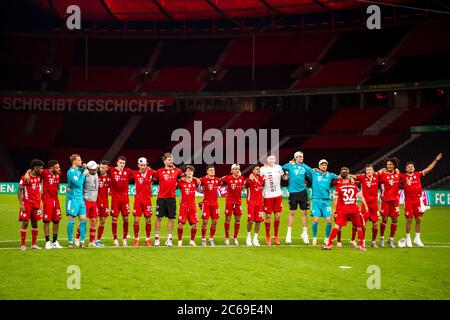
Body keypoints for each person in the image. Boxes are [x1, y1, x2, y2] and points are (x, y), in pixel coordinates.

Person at [400, 153, 442, 247]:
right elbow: (397, 182)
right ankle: (408, 238)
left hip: (418, 201)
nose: (411, 168)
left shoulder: (418, 174)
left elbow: (429, 169)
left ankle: (417, 238)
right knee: (409, 220)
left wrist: (436, 160)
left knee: (419, 219)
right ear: (406, 169)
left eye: (412, 166)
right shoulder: (403, 176)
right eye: (409, 167)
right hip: (409, 201)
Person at [323, 167, 368, 251]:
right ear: (348, 177)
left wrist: (335, 209)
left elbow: (336, 199)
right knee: (359, 227)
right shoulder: (353, 186)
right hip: (354, 208)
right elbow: (360, 196)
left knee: (337, 225)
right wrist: (365, 205)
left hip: (344, 209)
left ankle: (329, 244)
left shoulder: (339, 186)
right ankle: (361, 245)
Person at [24, 160, 63, 249]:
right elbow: (33, 170)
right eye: (57, 167)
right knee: (46, 221)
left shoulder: (58, 174)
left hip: (56, 201)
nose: (59, 169)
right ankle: (47, 242)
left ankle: (55, 241)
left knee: (57, 221)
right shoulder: (44, 173)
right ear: (52, 168)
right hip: (47, 201)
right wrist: (27, 173)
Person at [153, 153, 183, 247]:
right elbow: (153, 180)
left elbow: (183, 177)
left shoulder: (177, 170)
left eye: (171, 159)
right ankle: (157, 239)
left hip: (172, 198)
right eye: (169, 159)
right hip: (161, 198)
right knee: (159, 218)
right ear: (165, 161)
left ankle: (169, 239)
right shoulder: (159, 171)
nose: (171, 161)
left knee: (171, 218)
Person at [282, 151, 312, 244]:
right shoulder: (289, 165)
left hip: (303, 192)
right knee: (292, 213)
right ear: (295, 158)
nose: (301, 158)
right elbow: (280, 168)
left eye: (302, 156)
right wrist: (285, 174)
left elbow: (312, 174)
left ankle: (304, 233)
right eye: (299, 157)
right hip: (293, 193)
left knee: (304, 213)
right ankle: (288, 235)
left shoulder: (305, 166)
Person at [309, 159, 339, 246]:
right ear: (319, 166)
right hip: (316, 200)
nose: (324, 166)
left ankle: (326, 238)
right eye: (322, 164)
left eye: (325, 165)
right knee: (316, 219)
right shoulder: (314, 173)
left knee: (329, 220)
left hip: (326, 201)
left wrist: (350, 177)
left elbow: (341, 177)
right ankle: (314, 238)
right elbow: (306, 169)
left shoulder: (330, 175)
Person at [18, 159, 45, 250]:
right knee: (25, 223)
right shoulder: (25, 177)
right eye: (40, 168)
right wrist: (21, 204)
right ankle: (23, 245)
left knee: (35, 223)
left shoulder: (40, 176)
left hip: (36, 204)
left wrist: (27, 171)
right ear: (35, 167)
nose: (41, 170)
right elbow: (19, 190)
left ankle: (33, 244)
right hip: (27, 203)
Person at [108, 156, 134, 247]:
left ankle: (124, 238)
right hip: (115, 199)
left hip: (125, 199)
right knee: (114, 218)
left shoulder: (127, 171)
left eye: (123, 163)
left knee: (125, 218)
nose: (122, 165)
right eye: (120, 163)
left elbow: (138, 173)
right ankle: (115, 239)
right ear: (117, 163)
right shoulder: (111, 170)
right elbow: (102, 167)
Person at [260, 155, 285, 245]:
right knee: (268, 217)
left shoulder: (279, 167)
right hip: (268, 196)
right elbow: (258, 178)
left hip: (278, 195)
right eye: (270, 158)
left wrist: (288, 174)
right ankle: (267, 236)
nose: (272, 160)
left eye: (273, 158)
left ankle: (276, 236)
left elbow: (284, 177)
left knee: (277, 216)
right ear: (266, 159)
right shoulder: (263, 169)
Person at [355, 164, 381, 248]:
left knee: (375, 224)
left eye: (370, 170)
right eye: (367, 170)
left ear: (373, 171)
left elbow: (384, 170)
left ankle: (373, 242)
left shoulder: (377, 176)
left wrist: (396, 170)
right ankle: (363, 241)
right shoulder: (362, 177)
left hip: (374, 205)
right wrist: (344, 174)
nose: (368, 172)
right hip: (365, 204)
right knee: (363, 224)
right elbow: (353, 176)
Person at [132, 157, 156, 247]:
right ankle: (136, 238)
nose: (143, 167)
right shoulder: (134, 173)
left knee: (148, 220)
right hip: (138, 200)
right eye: (141, 165)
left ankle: (148, 238)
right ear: (138, 165)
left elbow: (158, 174)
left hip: (147, 200)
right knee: (136, 220)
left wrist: (152, 181)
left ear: (147, 165)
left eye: (144, 165)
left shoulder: (151, 172)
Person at [66, 154, 88, 249]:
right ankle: (70, 242)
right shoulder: (71, 172)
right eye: (79, 160)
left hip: (80, 199)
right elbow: (79, 184)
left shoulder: (78, 170)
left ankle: (82, 241)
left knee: (83, 220)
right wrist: (84, 174)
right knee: (72, 221)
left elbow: (84, 170)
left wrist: (85, 167)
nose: (81, 161)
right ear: (73, 161)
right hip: (73, 199)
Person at [378, 157, 401, 248]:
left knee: (395, 220)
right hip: (385, 200)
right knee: (384, 220)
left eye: (390, 164)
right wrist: (380, 170)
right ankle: (382, 238)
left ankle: (391, 239)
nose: (389, 166)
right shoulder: (382, 174)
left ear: (394, 165)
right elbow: (373, 175)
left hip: (395, 200)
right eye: (387, 165)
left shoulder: (398, 173)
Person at [222, 164, 246, 246]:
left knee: (238, 220)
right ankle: (227, 237)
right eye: (235, 169)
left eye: (238, 169)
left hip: (238, 202)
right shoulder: (227, 178)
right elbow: (219, 181)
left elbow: (243, 186)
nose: (237, 170)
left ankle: (235, 237)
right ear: (232, 170)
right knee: (228, 219)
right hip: (229, 201)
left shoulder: (241, 178)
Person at [176, 165, 200, 247]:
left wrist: (197, 179)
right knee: (180, 224)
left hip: (192, 207)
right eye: (188, 171)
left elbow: (199, 187)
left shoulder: (195, 182)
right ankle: (180, 241)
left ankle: (192, 241)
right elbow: (174, 187)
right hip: (183, 206)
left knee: (194, 225)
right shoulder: (181, 182)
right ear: (185, 172)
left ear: (193, 173)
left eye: (191, 171)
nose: (189, 172)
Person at [199, 165, 222, 247]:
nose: (212, 171)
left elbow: (225, 182)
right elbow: (195, 183)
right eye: (211, 170)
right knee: (205, 221)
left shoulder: (217, 180)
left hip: (215, 204)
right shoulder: (203, 179)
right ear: (207, 172)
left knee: (215, 221)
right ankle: (203, 239)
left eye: (213, 170)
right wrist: (200, 191)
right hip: (206, 204)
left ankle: (211, 238)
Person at [245, 165, 264, 246]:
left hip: (259, 203)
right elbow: (244, 186)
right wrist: (250, 179)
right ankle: (248, 237)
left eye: (259, 169)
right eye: (257, 169)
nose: (259, 170)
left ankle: (255, 238)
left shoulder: (262, 179)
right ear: (253, 170)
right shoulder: (249, 179)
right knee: (250, 220)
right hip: (251, 203)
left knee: (259, 221)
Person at [83, 161, 100, 248]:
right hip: (86, 200)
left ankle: (91, 241)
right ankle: (78, 238)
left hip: (94, 201)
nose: (97, 169)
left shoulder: (95, 173)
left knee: (93, 221)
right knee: (84, 221)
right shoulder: (85, 175)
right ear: (90, 169)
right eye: (95, 168)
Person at [95, 160, 110, 246]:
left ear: (107, 168)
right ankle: (79, 238)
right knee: (94, 220)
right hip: (96, 202)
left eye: (103, 168)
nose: (101, 169)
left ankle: (98, 239)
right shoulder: (96, 177)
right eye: (100, 167)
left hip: (105, 203)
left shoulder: (109, 178)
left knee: (102, 221)